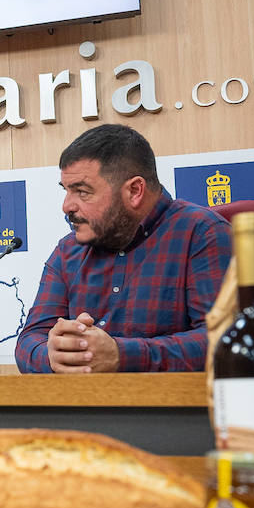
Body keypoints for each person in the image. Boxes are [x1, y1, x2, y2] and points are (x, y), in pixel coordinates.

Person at [15, 124, 232, 373]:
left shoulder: (202, 233)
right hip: (82, 409)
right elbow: (29, 341)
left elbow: (223, 342)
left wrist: (121, 355)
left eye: (82, 192)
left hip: (172, 409)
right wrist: (55, 355)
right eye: (66, 191)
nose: (66, 206)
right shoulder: (67, 251)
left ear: (134, 190)